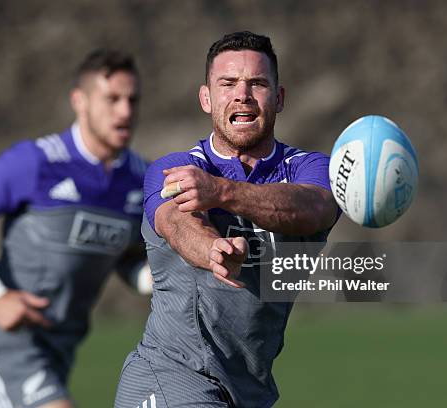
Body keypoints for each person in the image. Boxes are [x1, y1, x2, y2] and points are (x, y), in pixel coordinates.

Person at [114, 31, 339, 408]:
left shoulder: (310, 169)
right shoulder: (174, 168)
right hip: (172, 374)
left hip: (248, 390)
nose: (243, 94)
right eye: (228, 83)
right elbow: (175, 223)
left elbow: (315, 209)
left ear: (279, 98)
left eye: (258, 84)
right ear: (207, 98)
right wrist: (211, 249)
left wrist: (223, 193)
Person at [0, 48, 151, 408]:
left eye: (133, 100)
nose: (125, 112)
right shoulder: (35, 161)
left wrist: (164, 278)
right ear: (79, 101)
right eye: (111, 99)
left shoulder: (140, 179)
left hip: (60, 348)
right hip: (5, 342)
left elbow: (127, 258)